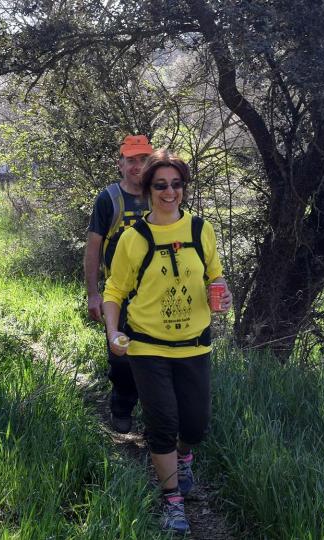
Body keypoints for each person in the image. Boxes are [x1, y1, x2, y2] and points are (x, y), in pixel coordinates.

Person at [102, 150, 232, 535]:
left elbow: (215, 277)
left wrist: (221, 297)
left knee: (195, 425)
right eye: (160, 185)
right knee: (162, 423)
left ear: (184, 188)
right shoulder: (133, 238)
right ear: (147, 190)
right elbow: (115, 291)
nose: (169, 191)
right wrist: (113, 333)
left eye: (176, 184)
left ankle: (184, 455)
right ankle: (172, 500)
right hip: (147, 347)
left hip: (194, 345)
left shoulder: (199, 230)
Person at [84, 134, 154, 433]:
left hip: (157, 295)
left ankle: (156, 418)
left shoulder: (163, 192)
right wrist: (93, 294)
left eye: (143, 159)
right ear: (120, 164)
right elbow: (93, 248)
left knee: (156, 358)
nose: (137, 166)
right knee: (122, 356)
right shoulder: (109, 198)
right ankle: (122, 407)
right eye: (131, 160)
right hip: (120, 296)